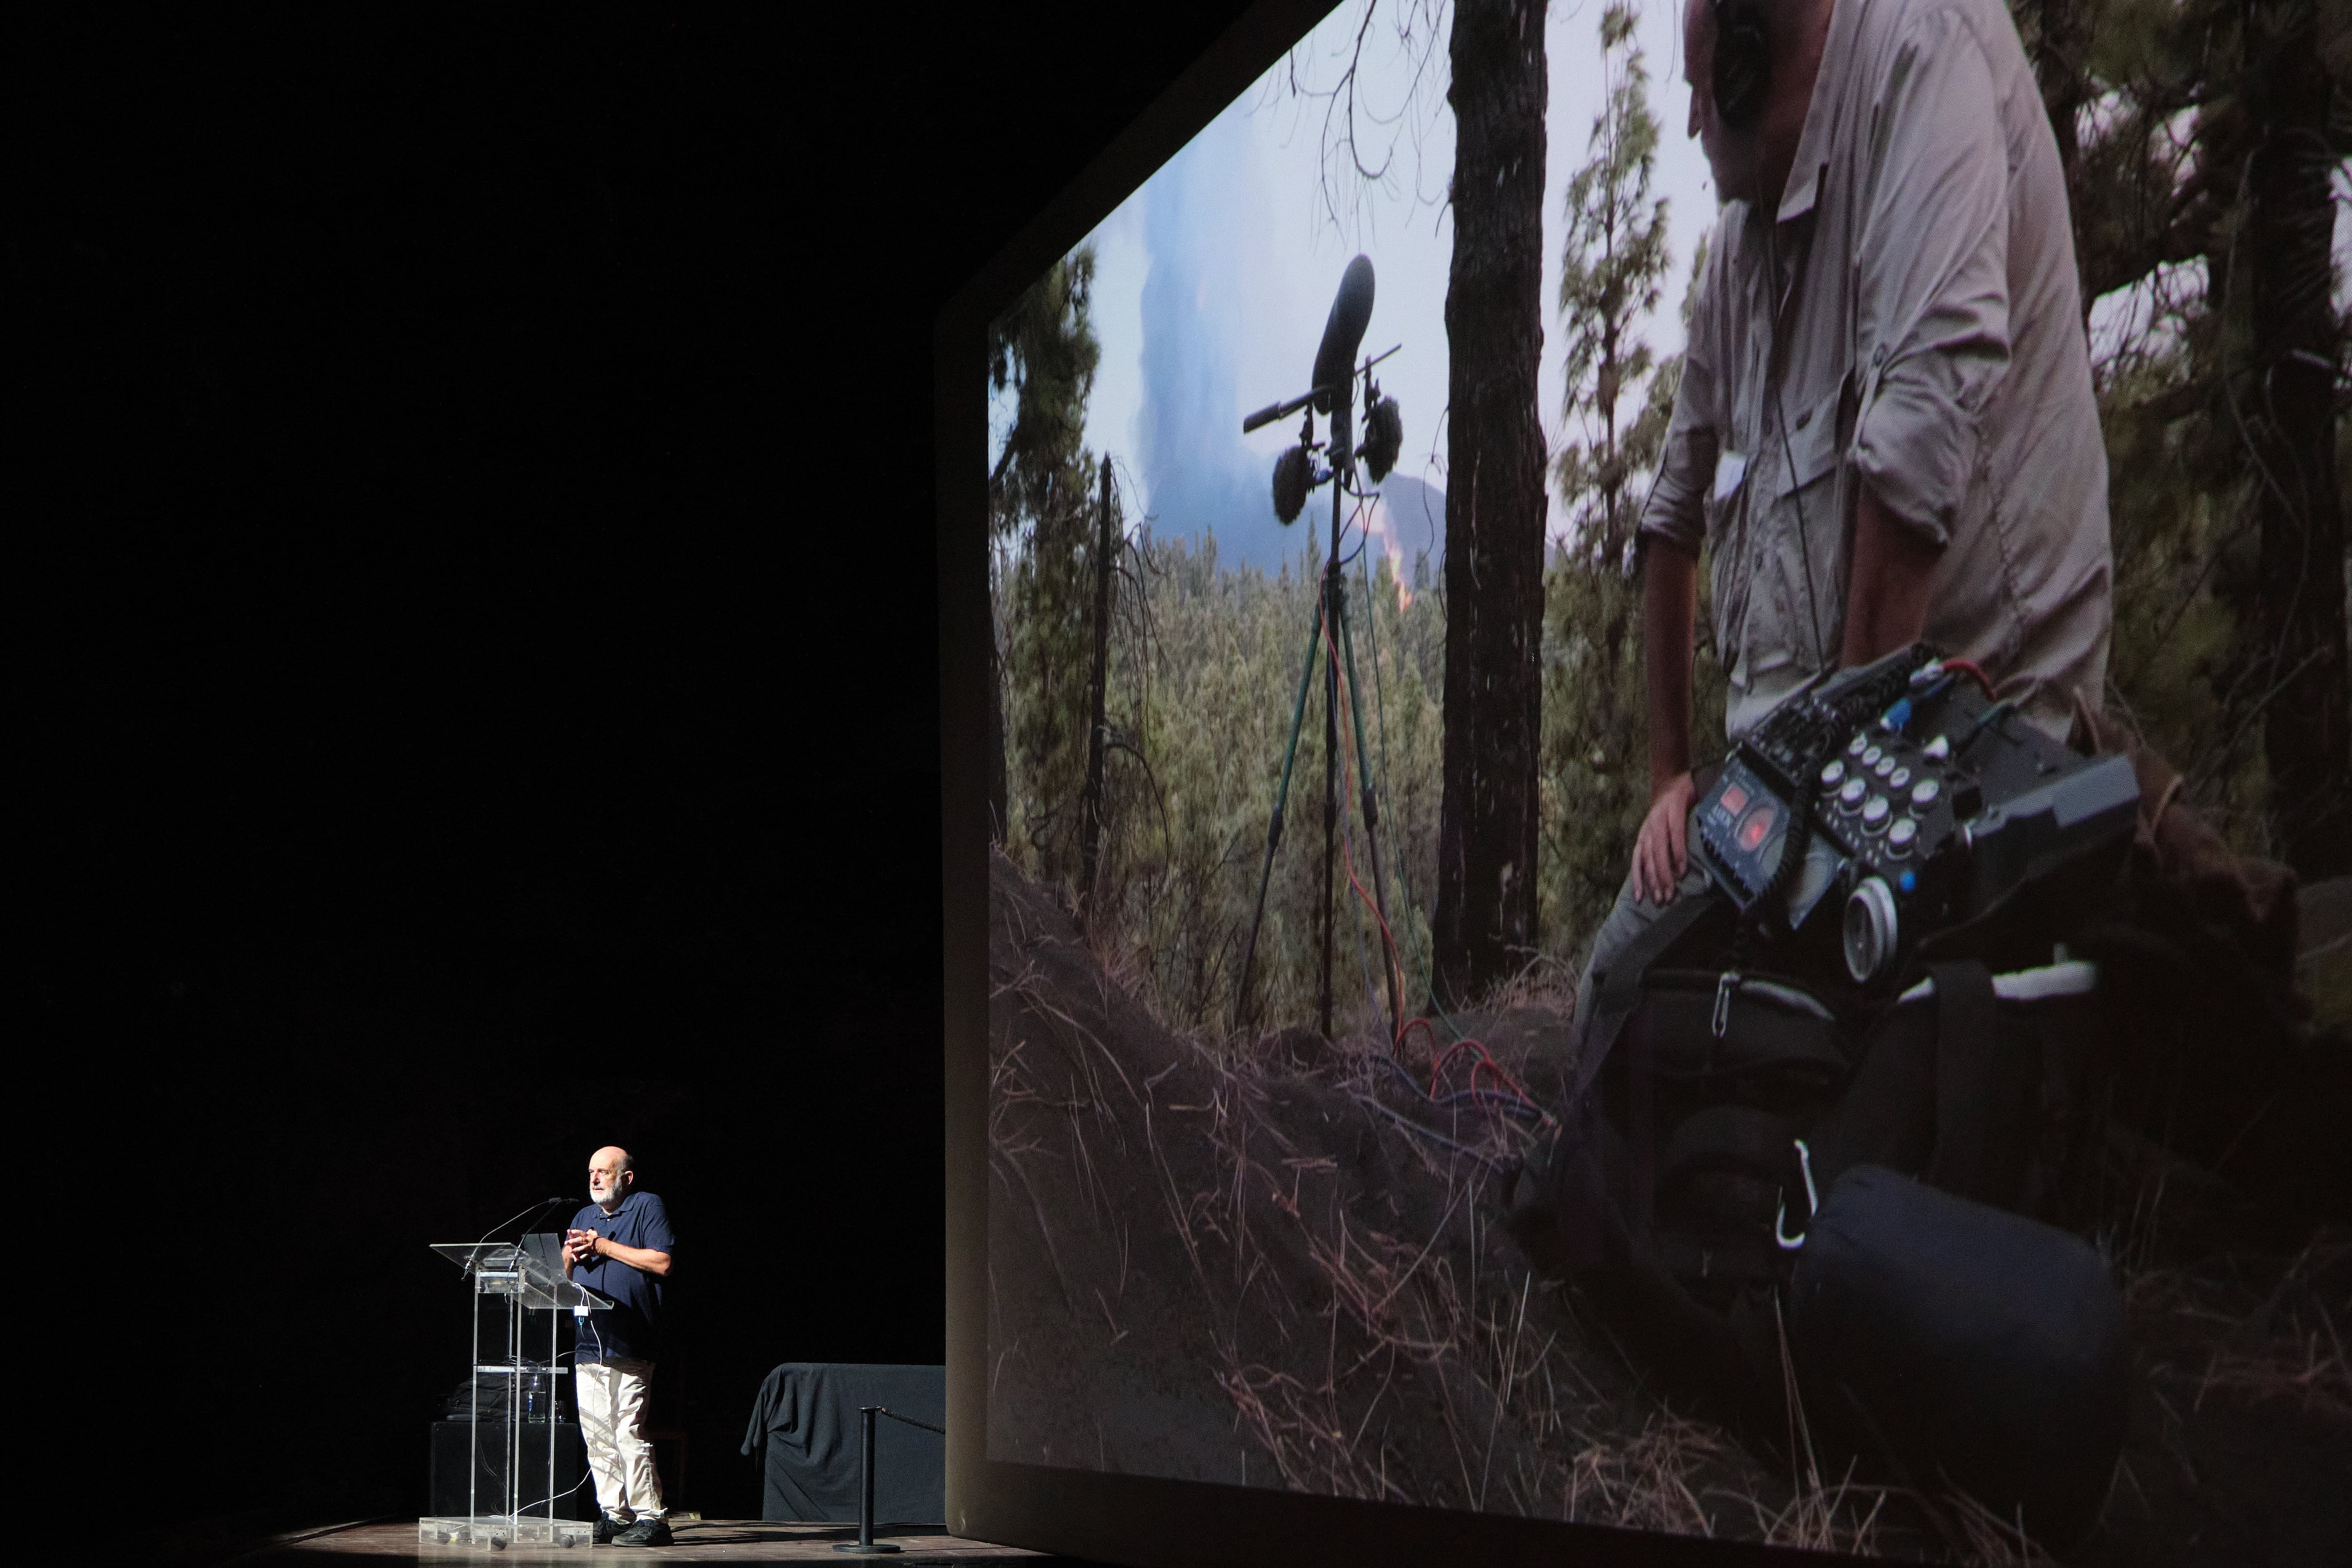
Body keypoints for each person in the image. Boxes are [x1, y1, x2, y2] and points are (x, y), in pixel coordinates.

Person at [1570, 0, 2113, 1036]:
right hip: (1784, 783)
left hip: (1962, 757)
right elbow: (1671, 515)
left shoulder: (1923, 56)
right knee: (1617, 984)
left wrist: (1823, 854)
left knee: (1779, 1059)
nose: (1688, 125)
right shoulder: (1739, 255)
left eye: (1697, 92)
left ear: (1744, 69)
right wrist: (1669, 776)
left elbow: (1913, 452)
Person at [565, 1146, 676, 1547]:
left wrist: (604, 1247)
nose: (594, 1178)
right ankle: (615, 1513)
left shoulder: (646, 1206)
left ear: (625, 1178)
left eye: (603, 1172)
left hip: (632, 1340)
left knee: (627, 1430)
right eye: (591, 1171)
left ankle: (652, 1518)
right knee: (598, 1434)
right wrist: (565, 1257)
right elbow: (563, 1275)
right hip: (589, 1343)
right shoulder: (583, 1216)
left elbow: (663, 1262)